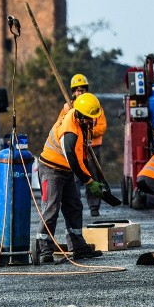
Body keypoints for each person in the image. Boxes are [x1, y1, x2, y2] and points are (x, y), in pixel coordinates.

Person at [36, 93, 105, 263]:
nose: (92, 122)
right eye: (89, 118)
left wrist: (91, 176)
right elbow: (73, 160)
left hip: (65, 170)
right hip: (51, 169)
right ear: (80, 116)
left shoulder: (83, 125)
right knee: (51, 208)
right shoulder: (69, 130)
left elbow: (81, 157)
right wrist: (89, 181)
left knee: (74, 206)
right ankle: (44, 249)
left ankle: (78, 247)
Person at [56, 73, 108, 217]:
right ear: (73, 92)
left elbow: (102, 127)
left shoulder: (95, 106)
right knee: (74, 177)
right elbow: (61, 126)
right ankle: (74, 204)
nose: (80, 92)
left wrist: (88, 133)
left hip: (92, 147)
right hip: (74, 148)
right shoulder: (68, 107)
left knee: (93, 176)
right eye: (78, 90)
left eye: (83, 89)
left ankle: (94, 207)